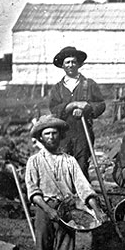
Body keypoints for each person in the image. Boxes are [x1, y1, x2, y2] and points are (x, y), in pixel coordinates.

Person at [25, 115, 107, 250]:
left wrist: (97, 210)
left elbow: (84, 188)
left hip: (67, 210)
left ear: (60, 136)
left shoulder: (69, 161)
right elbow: (33, 191)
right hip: (44, 209)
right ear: (40, 138)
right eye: (47, 134)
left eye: (54, 133)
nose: (51, 137)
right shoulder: (35, 161)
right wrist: (49, 210)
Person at [49, 46, 106, 180]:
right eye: (67, 62)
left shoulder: (89, 84)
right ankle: (67, 197)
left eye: (73, 62)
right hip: (63, 133)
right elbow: (54, 108)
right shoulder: (57, 88)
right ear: (62, 66)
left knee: (81, 166)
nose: (71, 65)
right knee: (63, 165)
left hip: (83, 132)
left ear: (79, 64)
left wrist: (87, 107)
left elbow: (101, 104)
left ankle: (83, 197)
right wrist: (71, 106)